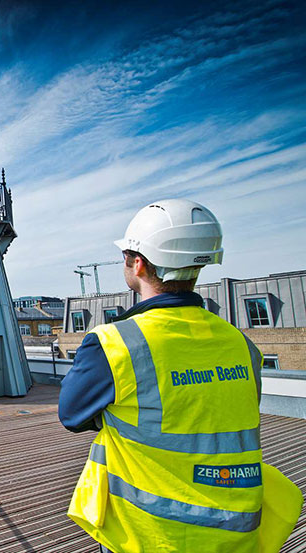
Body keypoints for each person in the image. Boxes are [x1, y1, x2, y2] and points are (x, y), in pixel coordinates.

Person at [59, 199, 302, 553]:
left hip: (151, 535)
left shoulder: (113, 344)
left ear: (138, 263)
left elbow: (72, 416)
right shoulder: (241, 344)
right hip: (235, 531)